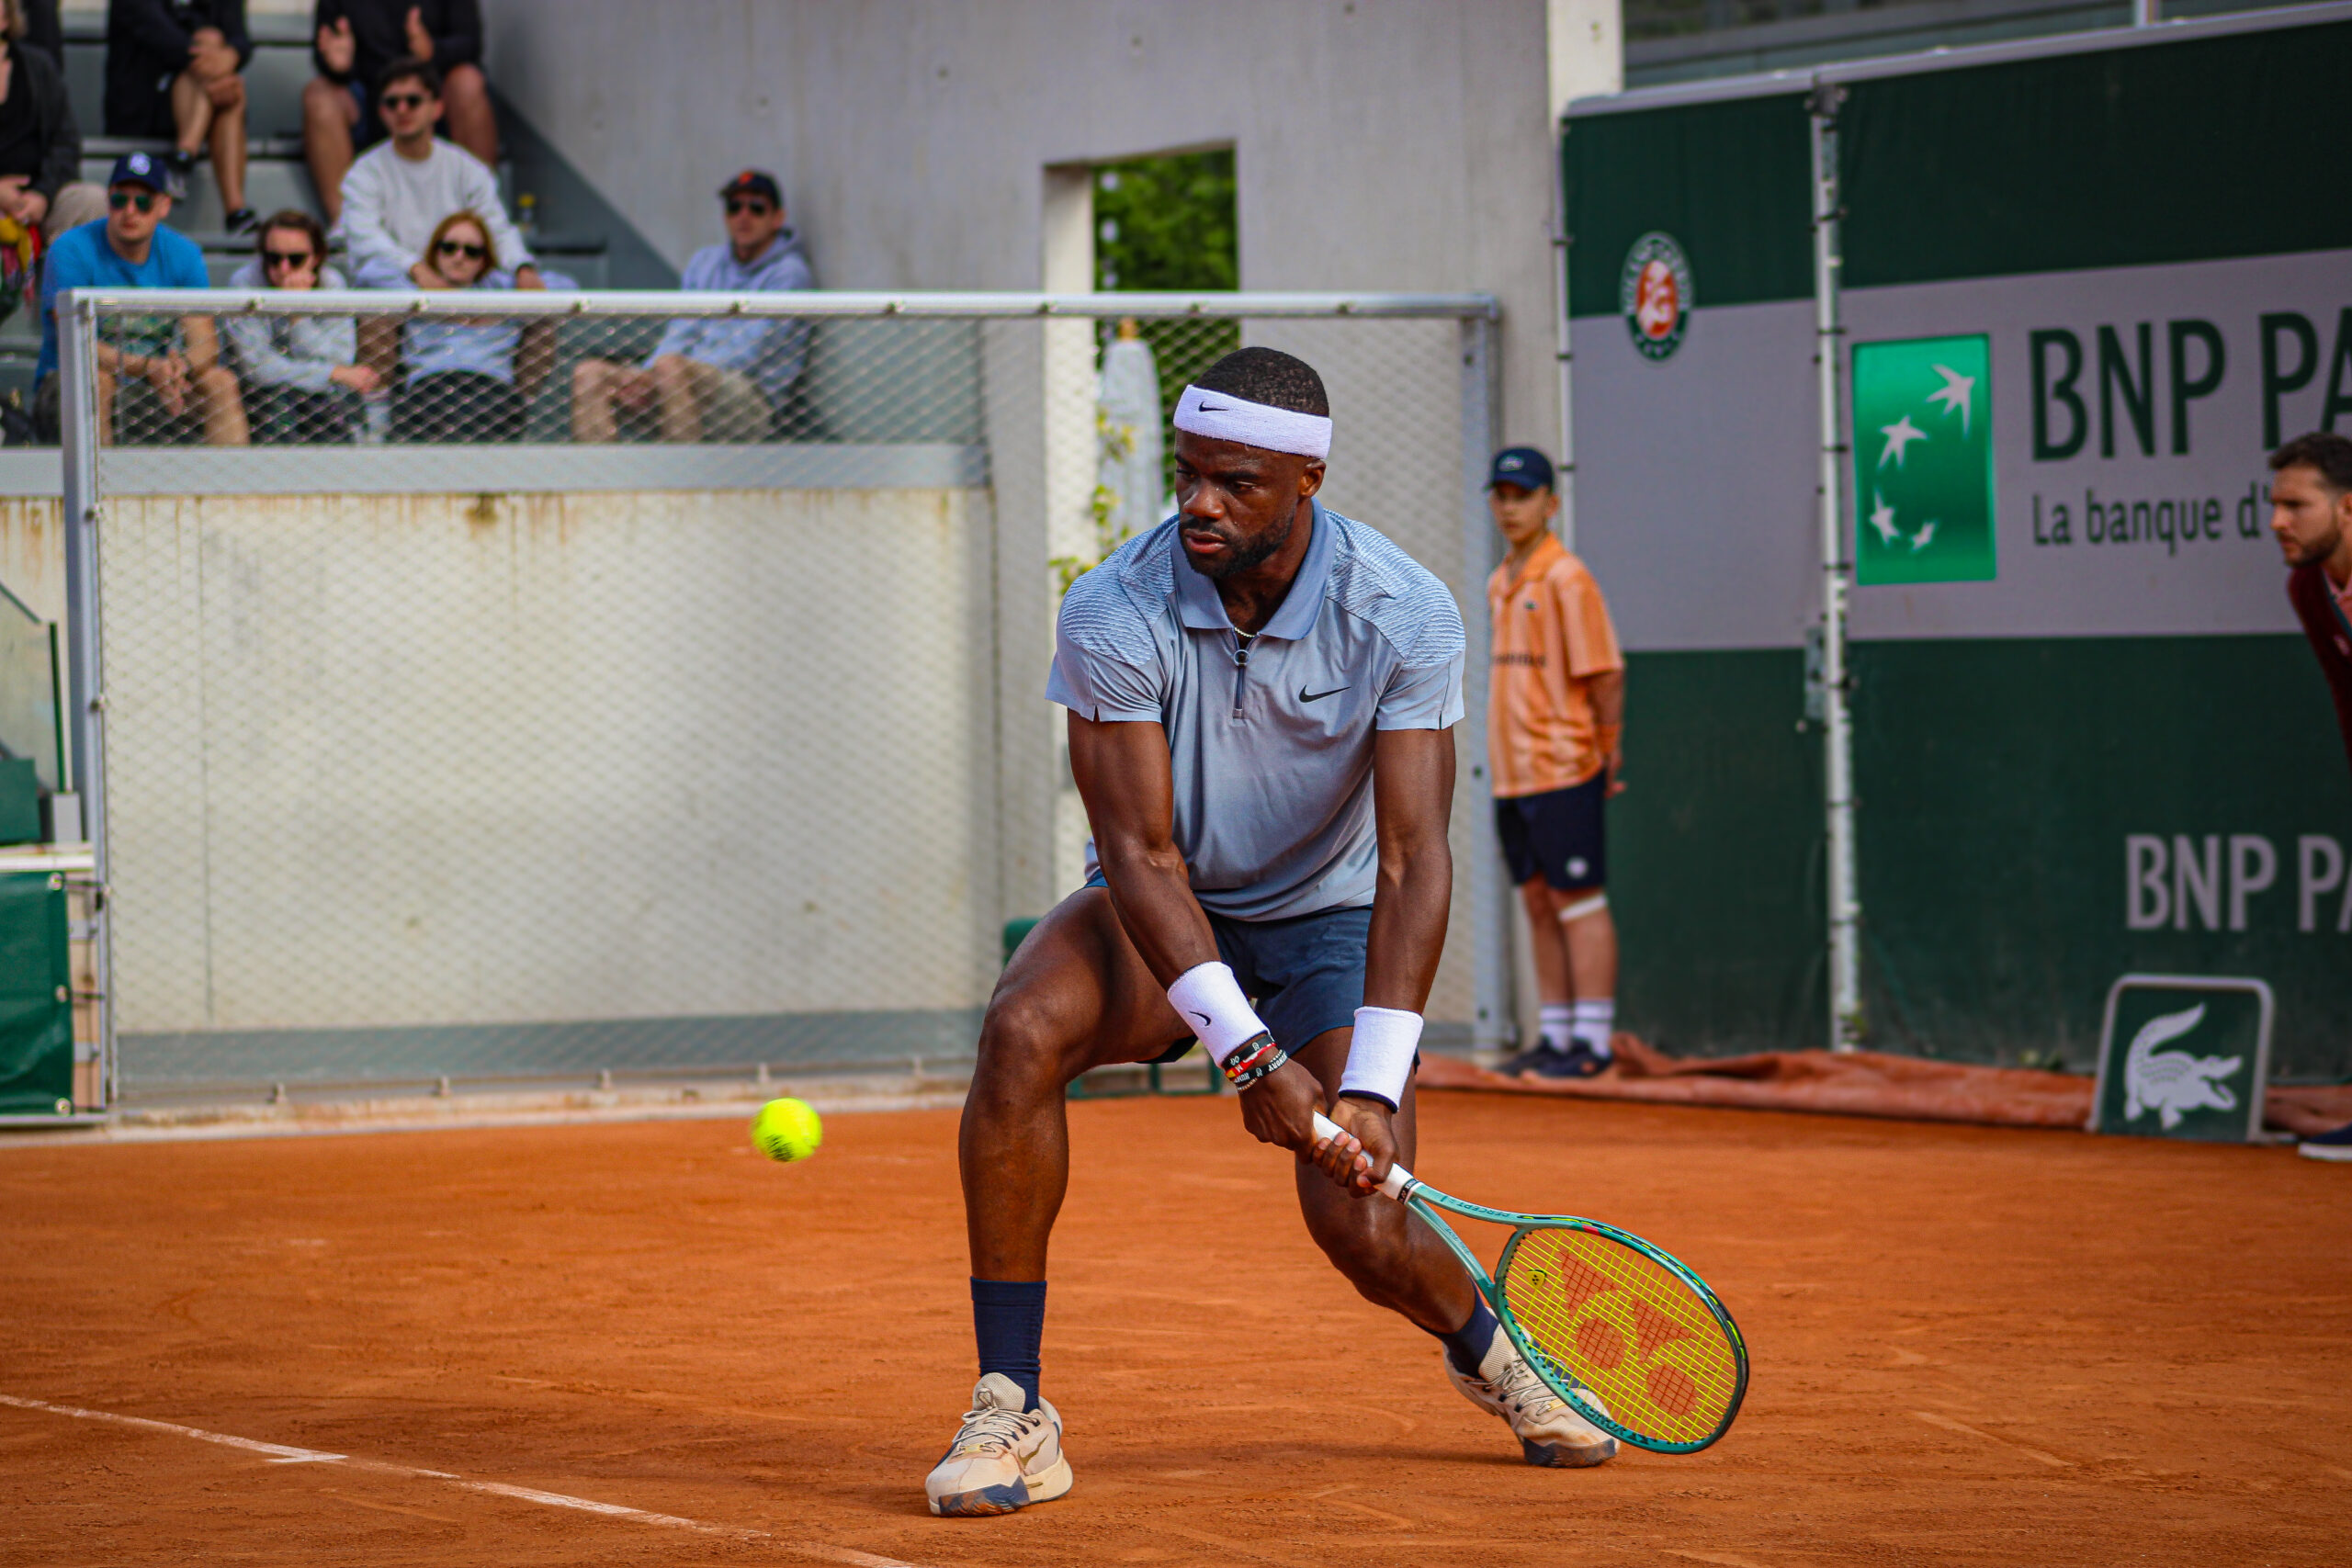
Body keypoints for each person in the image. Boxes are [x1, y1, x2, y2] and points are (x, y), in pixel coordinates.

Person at [925, 348, 1619, 1520]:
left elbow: (1413, 858)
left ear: (1307, 479)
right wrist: (1247, 1055)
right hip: (1169, 911)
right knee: (1021, 1026)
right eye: (1189, 474)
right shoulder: (1112, 607)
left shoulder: (1400, 610)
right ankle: (1011, 1406)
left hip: (1333, 919)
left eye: (1235, 481)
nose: (1199, 501)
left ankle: (1491, 1349)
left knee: (1361, 1227)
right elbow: (1138, 857)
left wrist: (1376, 1085)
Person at [1481, 447, 1626, 1079]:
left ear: (1551, 503)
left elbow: (1606, 672)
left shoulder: (1567, 577)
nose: (1511, 506)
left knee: (1578, 899)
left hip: (1565, 765)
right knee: (1538, 899)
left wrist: (1606, 745)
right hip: (1514, 774)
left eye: (1524, 494)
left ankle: (1593, 1044)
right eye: (1503, 494)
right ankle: (1556, 1036)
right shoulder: (1502, 579)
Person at [570, 170, 813, 444]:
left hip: (750, 401)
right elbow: (681, 331)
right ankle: (601, 484)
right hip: (677, 382)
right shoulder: (705, 261)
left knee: (671, 368)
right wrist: (648, 375)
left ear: (777, 219)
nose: (743, 216)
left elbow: (750, 353)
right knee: (589, 374)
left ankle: (682, 486)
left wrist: (664, 376)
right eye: (735, 207)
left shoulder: (789, 274)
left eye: (756, 208)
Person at [2266, 432, 2352, 1164]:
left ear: (2349, 507)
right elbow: (2346, 693)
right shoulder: (2307, 589)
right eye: (2273, 504)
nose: (2277, 521)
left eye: (2296, 504)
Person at [34, 151, 244, 446]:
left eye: (143, 202)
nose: (130, 211)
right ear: (108, 200)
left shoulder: (184, 254)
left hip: (156, 385)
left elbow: (205, 342)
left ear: (164, 206)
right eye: (120, 200)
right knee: (97, 381)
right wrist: (147, 367)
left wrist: (179, 366)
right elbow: (75, 343)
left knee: (221, 382)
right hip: (70, 383)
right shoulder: (70, 249)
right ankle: (95, 490)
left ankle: (231, 491)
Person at [335, 57, 536, 290]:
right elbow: (365, 238)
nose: (402, 110)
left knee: (554, 287)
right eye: (392, 102)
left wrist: (523, 268)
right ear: (381, 112)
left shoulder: (468, 169)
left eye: (413, 101)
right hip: (400, 284)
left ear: (437, 108)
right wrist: (416, 268)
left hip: (463, 281)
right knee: (375, 277)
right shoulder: (364, 172)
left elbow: (496, 229)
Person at [361, 208, 548, 443]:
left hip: (491, 389)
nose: (459, 257)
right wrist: (418, 270)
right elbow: (370, 273)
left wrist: (524, 269)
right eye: (449, 248)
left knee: (479, 414)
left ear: (483, 260)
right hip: (430, 387)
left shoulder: (500, 289)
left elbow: (565, 286)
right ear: (436, 251)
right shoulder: (415, 289)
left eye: (471, 251)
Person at [302, 0, 494, 224]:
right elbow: (324, 48)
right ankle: (346, 226)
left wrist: (434, 51)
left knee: (468, 82)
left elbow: (470, 43)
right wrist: (338, 65)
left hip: (433, 97)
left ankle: (480, 218)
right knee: (319, 95)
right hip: (369, 97)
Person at [223, 209, 378, 444]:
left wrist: (297, 317)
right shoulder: (245, 283)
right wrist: (331, 374)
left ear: (316, 258)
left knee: (335, 403)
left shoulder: (331, 284)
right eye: (273, 258)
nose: (284, 269)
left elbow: (340, 357)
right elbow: (258, 369)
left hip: (322, 396)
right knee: (280, 402)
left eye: (295, 259)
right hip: (262, 396)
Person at [104, 0, 254, 235]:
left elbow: (241, 39)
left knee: (230, 90)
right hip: (143, 105)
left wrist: (230, 55)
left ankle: (183, 158)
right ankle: (236, 210)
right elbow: (160, 35)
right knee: (215, 72)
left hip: (207, 104)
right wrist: (212, 52)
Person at [0, 0, 105, 253]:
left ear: (6, 17)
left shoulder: (39, 67)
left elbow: (66, 142)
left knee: (92, 201)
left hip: (39, 196)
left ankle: (60, 288)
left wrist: (42, 195)